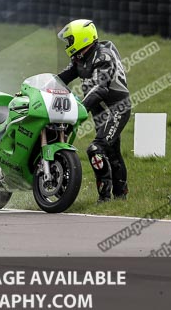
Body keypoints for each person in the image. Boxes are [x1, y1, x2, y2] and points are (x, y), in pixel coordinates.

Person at [56, 19, 131, 203]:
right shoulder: (79, 58)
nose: (68, 44)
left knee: (95, 149)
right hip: (99, 110)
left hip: (117, 108)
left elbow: (101, 88)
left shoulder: (103, 57)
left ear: (81, 38)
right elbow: (60, 79)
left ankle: (104, 198)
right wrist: (37, 90)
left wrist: (80, 109)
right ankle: (121, 197)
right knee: (112, 152)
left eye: (70, 40)